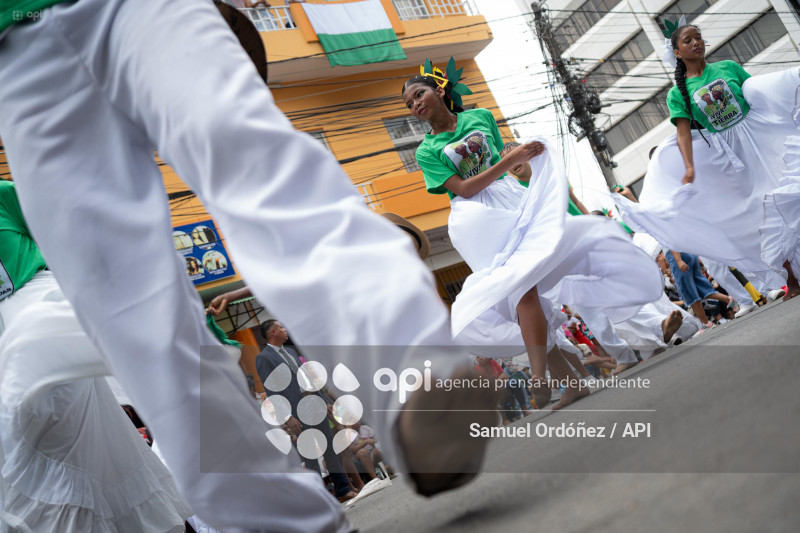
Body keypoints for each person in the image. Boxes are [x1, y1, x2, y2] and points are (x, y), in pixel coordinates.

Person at [0, 1, 501, 529]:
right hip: (16, 53)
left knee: (247, 156)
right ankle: (279, 522)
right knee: (124, 307)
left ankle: (415, 377)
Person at [403, 59, 663, 408]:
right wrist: (509, 161)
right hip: (477, 218)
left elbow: (509, 165)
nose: (416, 104)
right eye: (409, 104)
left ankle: (565, 377)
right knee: (519, 294)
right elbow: (464, 189)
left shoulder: (480, 117)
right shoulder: (426, 151)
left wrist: (527, 158)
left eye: (419, 94)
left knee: (530, 288)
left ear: (439, 89)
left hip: (510, 201)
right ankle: (553, 377)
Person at [0, 180, 191, 532]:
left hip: (42, 312)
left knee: (55, 419)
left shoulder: (4, 194)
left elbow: (66, 233)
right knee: (35, 436)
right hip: (9, 334)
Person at [614, 21, 800, 301]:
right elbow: (683, 134)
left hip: (762, 138)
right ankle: (793, 279)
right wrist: (689, 167)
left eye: (698, 38)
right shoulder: (678, 94)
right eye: (688, 41)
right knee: (762, 214)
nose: (696, 43)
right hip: (732, 156)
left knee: (791, 194)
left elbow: (758, 94)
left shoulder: (728, 67)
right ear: (677, 52)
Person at [255, 319, 357, 503]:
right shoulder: (264, 358)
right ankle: (320, 499)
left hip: (314, 404)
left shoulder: (292, 352)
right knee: (311, 455)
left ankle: (343, 490)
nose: (285, 330)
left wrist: (323, 400)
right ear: (272, 333)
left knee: (330, 450)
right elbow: (271, 390)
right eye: (281, 327)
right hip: (297, 412)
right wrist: (288, 417)